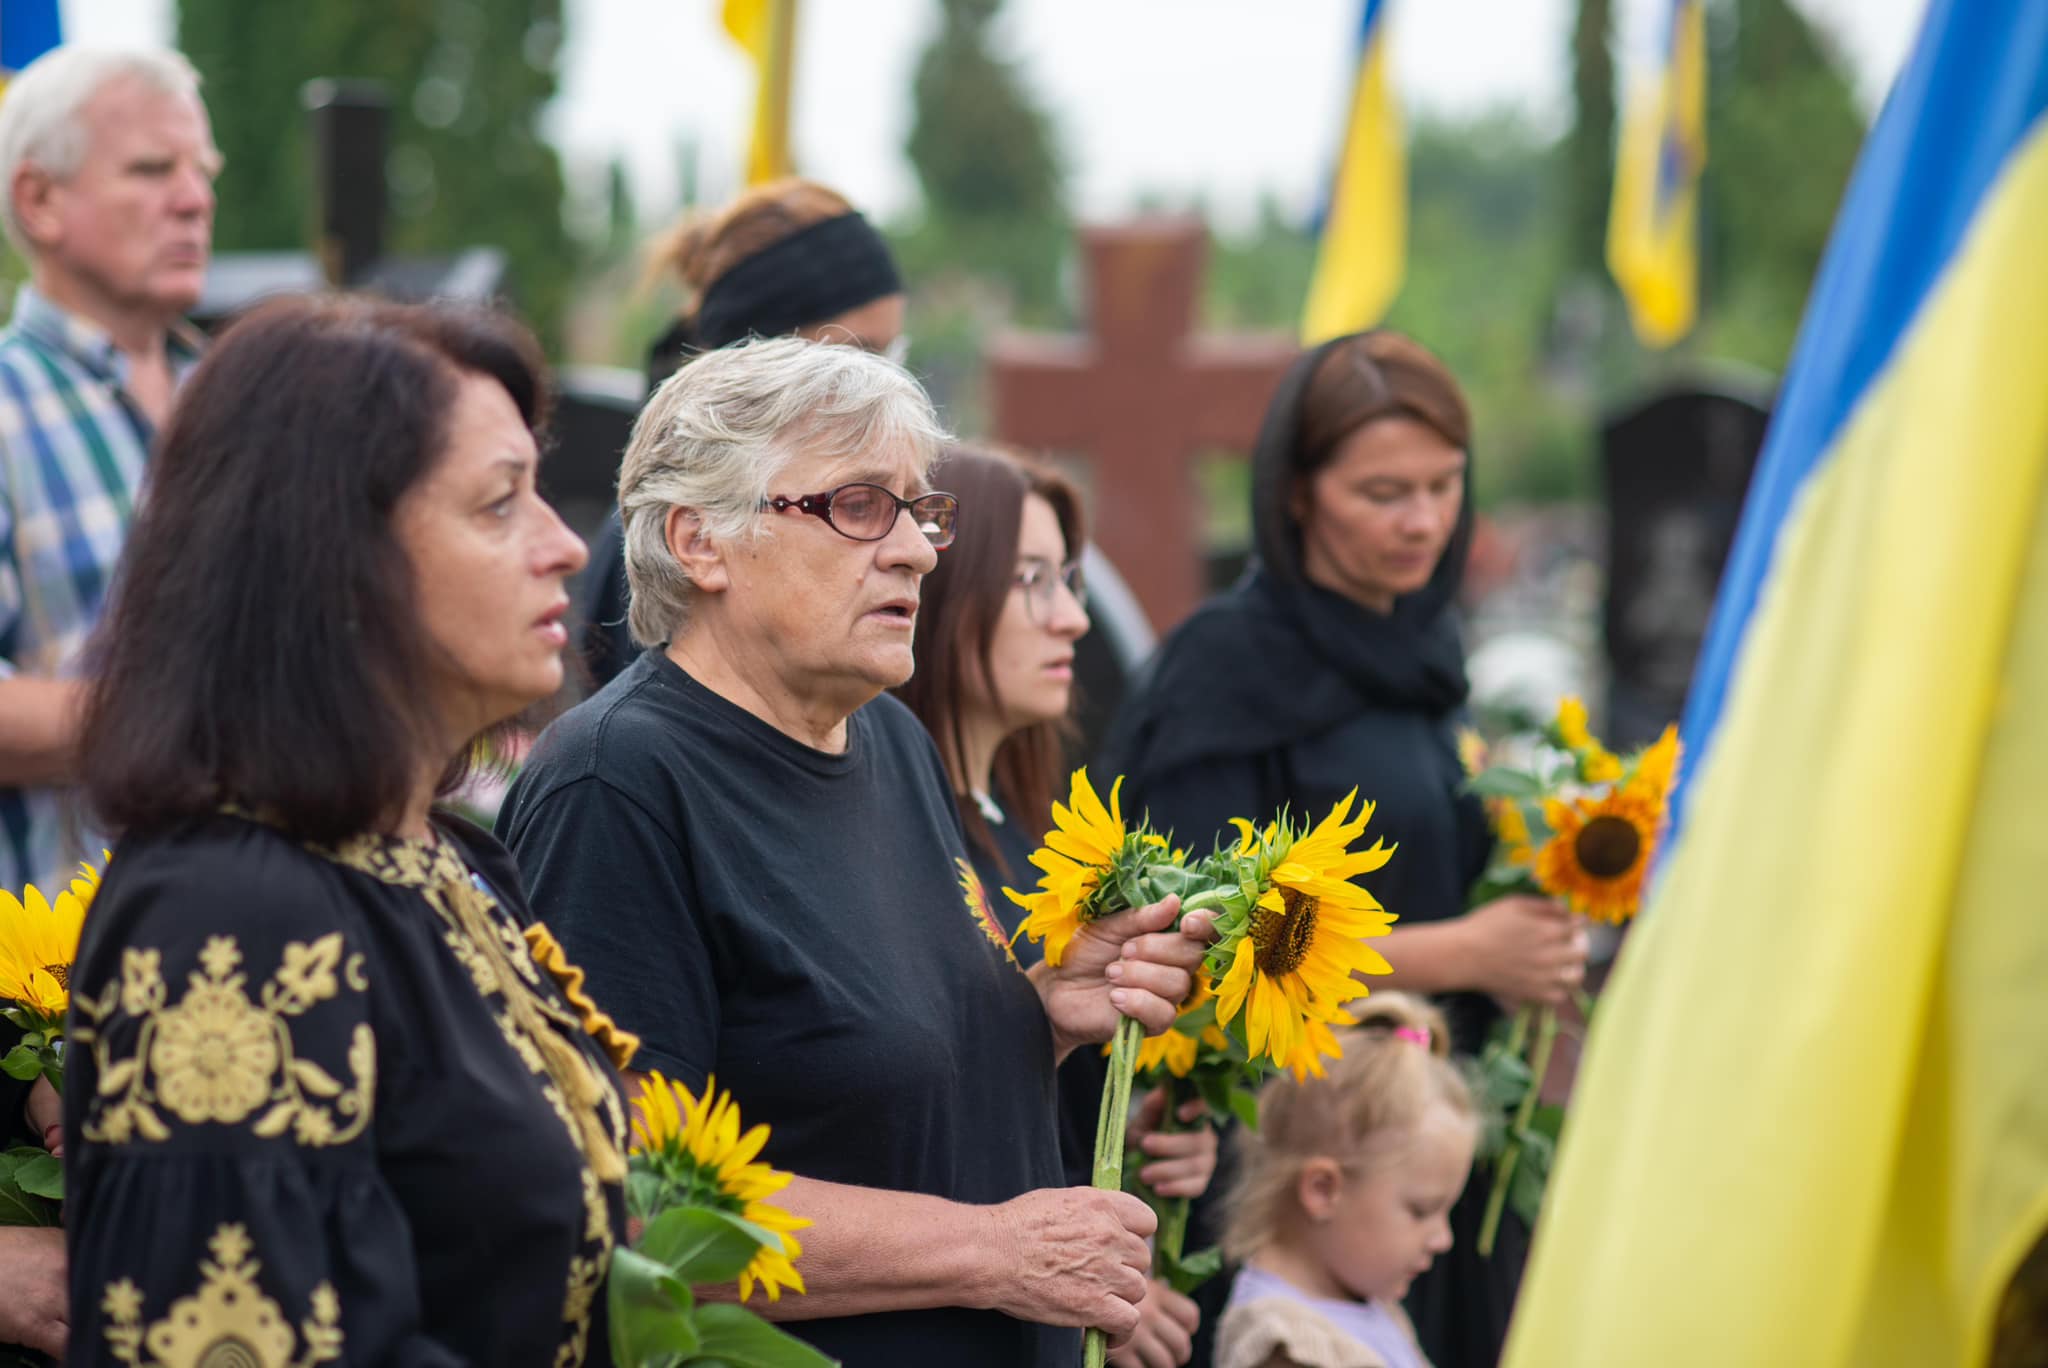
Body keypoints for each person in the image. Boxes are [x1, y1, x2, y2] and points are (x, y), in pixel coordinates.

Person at [499, 337, 1214, 1367]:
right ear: (699, 542)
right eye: (857, 506)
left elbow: (868, 1092)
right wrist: (988, 1251)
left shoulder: (887, 736)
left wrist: (1038, 1019)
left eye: (919, 511)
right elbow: (638, 1218)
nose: (918, 550)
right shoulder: (618, 782)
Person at [63, 296, 632, 1366]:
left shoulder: (449, 856)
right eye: (500, 504)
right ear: (335, 560)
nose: (563, 544)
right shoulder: (226, 914)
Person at [1102, 330, 1587, 1367]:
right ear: (1295, 495)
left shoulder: (1419, 657)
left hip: (1408, 1173)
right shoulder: (1224, 674)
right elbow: (1204, 941)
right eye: (1381, 492)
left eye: (1442, 485)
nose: (1421, 521)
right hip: (1282, 1183)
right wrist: (1463, 954)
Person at [896, 442, 1214, 1368]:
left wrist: (1127, 1134)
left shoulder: (1039, 848)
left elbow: (1011, 1083)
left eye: (1067, 580)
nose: (1072, 618)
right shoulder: (897, 833)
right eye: (1032, 580)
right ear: (945, 589)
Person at [0, 45, 216, 894]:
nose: (195, 198)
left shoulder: (239, 396)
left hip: (273, 962)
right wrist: (209, 717)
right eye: (152, 169)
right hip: (60, 992)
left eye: (203, 169)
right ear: (40, 200)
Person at [579, 177, 907, 687]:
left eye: (892, 357)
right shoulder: (649, 541)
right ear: (760, 354)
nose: (880, 386)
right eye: (856, 355)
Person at [1212, 994, 1476, 1368]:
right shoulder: (1287, 1345)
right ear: (1323, 1190)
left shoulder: (1365, 1303)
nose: (1442, 1239)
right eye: (1421, 1211)